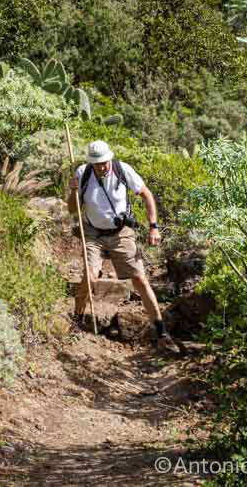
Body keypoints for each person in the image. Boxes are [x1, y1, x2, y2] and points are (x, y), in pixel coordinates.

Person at [68, 140, 178, 353]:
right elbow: (73, 210)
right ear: (91, 163)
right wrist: (73, 191)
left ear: (109, 159)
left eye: (104, 163)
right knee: (90, 277)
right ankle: (78, 319)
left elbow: (146, 194)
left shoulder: (123, 169)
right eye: (97, 164)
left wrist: (153, 227)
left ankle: (161, 331)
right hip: (92, 233)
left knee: (140, 279)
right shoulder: (82, 173)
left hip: (121, 233)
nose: (101, 167)